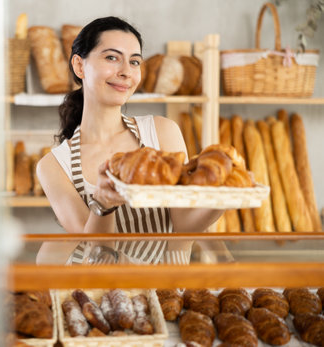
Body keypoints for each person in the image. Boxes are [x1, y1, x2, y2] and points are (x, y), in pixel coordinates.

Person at [36, 16, 224, 265]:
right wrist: (103, 204)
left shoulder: (162, 132)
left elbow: (184, 224)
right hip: (110, 296)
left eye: (134, 62)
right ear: (80, 66)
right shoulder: (54, 166)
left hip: (170, 291)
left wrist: (222, 197)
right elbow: (97, 251)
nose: (126, 72)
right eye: (112, 58)